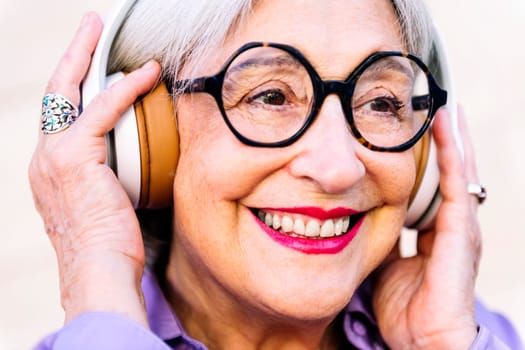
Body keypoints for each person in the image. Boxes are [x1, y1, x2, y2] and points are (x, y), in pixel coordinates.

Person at [30, 0, 522, 349]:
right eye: (270, 96)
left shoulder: (471, 336)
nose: (337, 168)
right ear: (144, 139)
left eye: (380, 102)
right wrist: (103, 302)